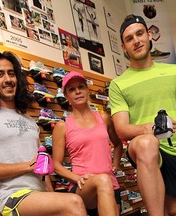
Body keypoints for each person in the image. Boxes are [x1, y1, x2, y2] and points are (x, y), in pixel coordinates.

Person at [109, 14, 176, 216]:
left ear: (149, 35)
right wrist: (148, 129)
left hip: (174, 149)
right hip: (142, 148)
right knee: (149, 143)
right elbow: (121, 129)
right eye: (129, 38)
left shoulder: (173, 72)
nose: (136, 41)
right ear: (123, 47)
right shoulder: (118, 84)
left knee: (175, 211)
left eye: (140, 34)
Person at [0, 51, 87, 216]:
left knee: (72, 205)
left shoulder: (30, 121)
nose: (8, 79)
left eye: (11, 73)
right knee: (74, 202)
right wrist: (28, 165)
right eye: (0, 74)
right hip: (13, 197)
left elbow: (42, 170)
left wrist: (52, 195)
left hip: (39, 195)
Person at [52, 71, 123, 216]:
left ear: (87, 90)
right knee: (103, 180)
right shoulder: (62, 126)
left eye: (81, 87)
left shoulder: (104, 118)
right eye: (72, 89)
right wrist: (76, 178)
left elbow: (118, 144)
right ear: (67, 97)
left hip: (110, 183)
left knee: (106, 182)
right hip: (83, 186)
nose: (77, 91)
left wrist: (115, 165)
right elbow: (56, 165)